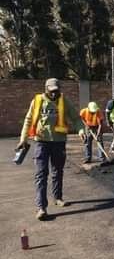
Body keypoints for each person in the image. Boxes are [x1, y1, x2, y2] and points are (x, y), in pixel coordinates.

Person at [17, 78, 85, 220]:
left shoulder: (64, 101)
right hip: (41, 142)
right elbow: (28, 119)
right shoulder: (37, 101)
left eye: (57, 91)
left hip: (59, 142)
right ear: (46, 89)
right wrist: (23, 139)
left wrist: (80, 130)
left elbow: (76, 118)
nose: (54, 94)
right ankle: (41, 207)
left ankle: (58, 198)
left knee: (57, 171)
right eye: (51, 91)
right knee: (41, 174)